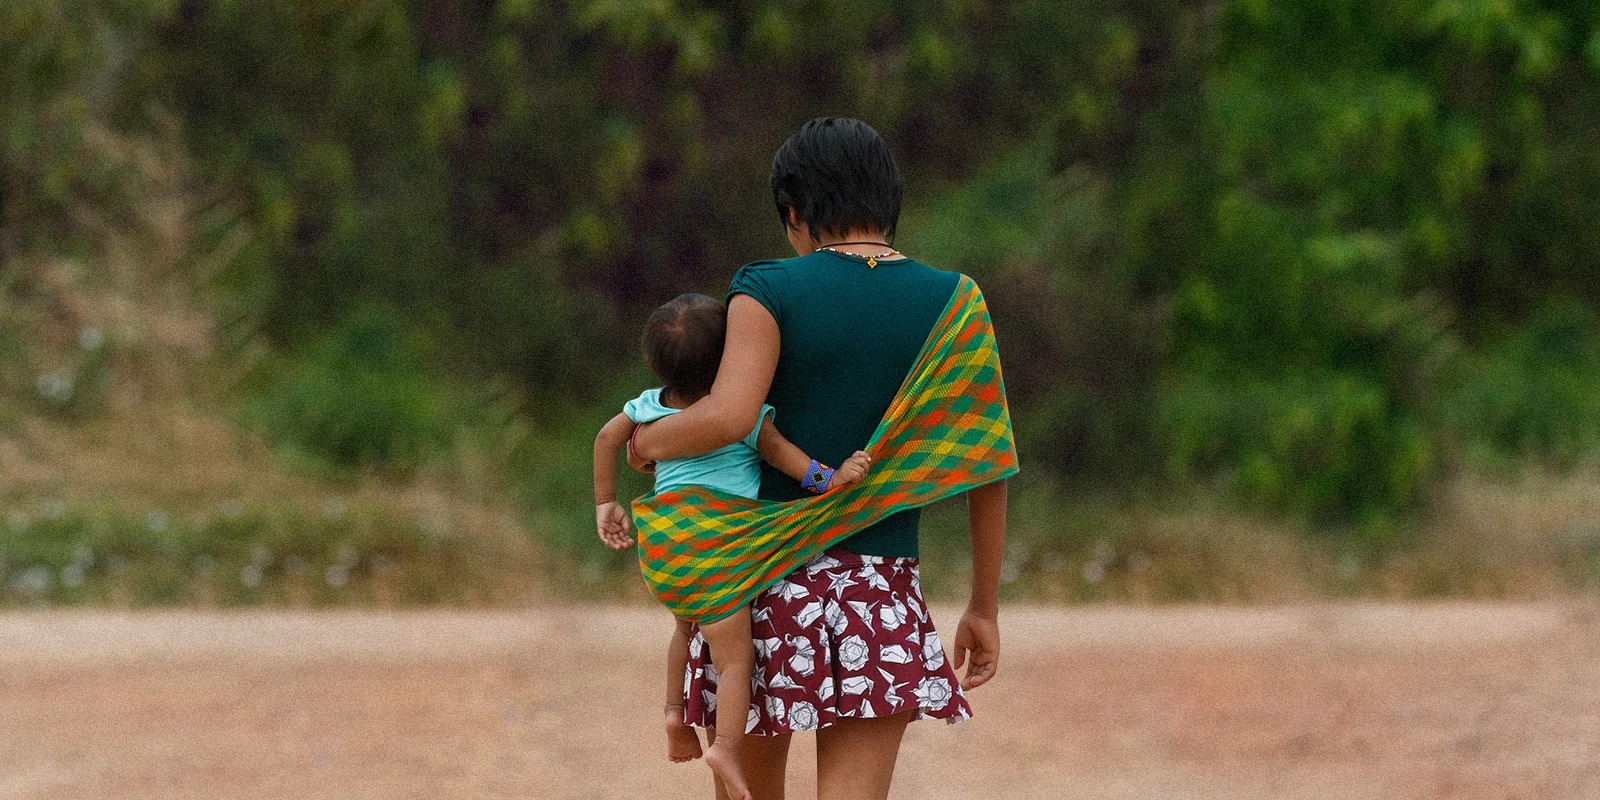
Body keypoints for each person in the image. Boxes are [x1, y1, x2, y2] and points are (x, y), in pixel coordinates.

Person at [630, 117, 1009, 800]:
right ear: (891, 203)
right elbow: (986, 466)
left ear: (796, 213)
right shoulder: (956, 302)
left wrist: (646, 441)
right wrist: (983, 606)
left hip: (764, 579)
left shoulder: (768, 287)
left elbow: (730, 415)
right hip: (882, 593)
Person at [593, 292, 872, 800]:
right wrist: (833, 478)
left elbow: (606, 439)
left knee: (686, 628)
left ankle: (674, 715)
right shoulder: (741, 417)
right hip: (717, 548)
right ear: (731, 358)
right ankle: (726, 745)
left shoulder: (647, 408)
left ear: (655, 363)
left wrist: (605, 502)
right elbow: (788, 459)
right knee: (735, 660)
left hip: (666, 550)